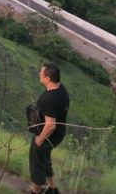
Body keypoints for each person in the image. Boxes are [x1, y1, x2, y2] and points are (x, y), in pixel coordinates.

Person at [29, 63, 70, 194]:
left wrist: (40, 139)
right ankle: (52, 189)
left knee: (36, 162)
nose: (39, 75)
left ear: (47, 79)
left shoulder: (51, 98)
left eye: (41, 74)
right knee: (45, 158)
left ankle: (36, 191)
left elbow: (50, 125)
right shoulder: (60, 88)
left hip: (49, 135)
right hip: (58, 133)